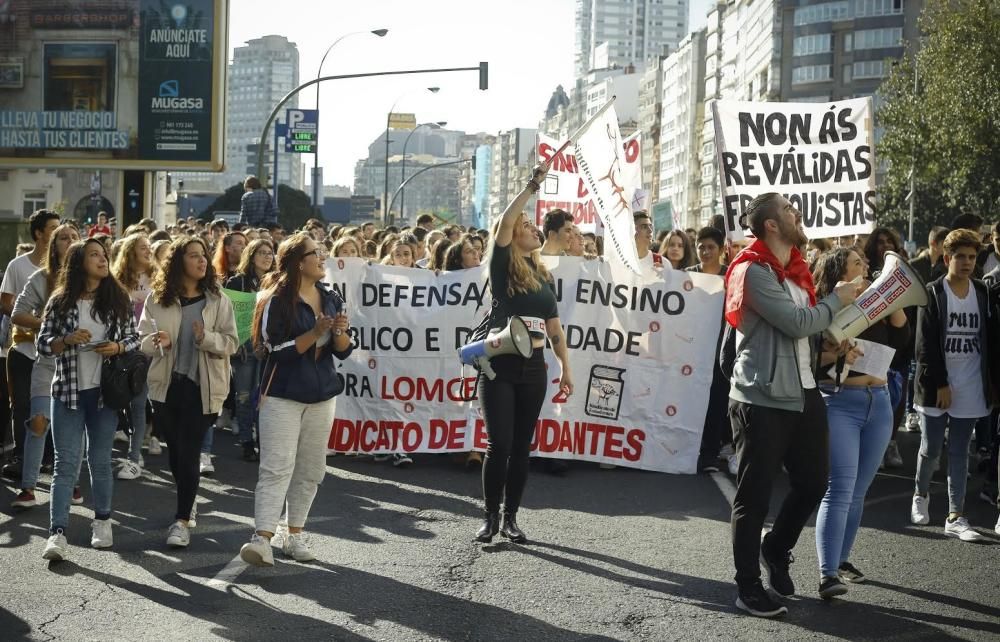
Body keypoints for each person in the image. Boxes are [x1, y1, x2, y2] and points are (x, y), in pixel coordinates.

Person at [724, 193, 859, 617]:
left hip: (802, 390)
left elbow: (808, 331)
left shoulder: (795, 271)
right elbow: (797, 322)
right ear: (770, 226)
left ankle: (775, 548)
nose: (796, 213)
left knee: (814, 483)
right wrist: (836, 300)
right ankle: (747, 587)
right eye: (787, 210)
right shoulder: (753, 270)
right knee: (754, 497)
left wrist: (838, 338)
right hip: (761, 397)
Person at [239, 233, 353, 566]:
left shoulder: (331, 296)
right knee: (276, 467)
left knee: (312, 468)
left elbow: (343, 351)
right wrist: (315, 333)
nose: (322, 258)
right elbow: (273, 351)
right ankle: (261, 539)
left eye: (322, 252)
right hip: (283, 395)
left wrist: (341, 331)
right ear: (298, 262)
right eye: (315, 253)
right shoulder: (275, 299)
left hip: (322, 395)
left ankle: (295, 536)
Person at [474, 163, 573, 544]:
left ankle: (512, 517)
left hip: (534, 368)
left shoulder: (544, 276)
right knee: (498, 444)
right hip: (499, 366)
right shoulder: (501, 265)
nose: (533, 229)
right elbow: (505, 220)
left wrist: (566, 367)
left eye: (533, 227)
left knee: (521, 446)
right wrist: (533, 184)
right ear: (512, 236)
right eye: (527, 227)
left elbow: (554, 328)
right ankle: (489, 517)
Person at [811, 248, 909, 599]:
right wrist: (832, 352)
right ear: (839, 271)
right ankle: (827, 574)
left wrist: (890, 295)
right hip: (839, 402)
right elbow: (809, 358)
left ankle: (841, 560)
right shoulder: (824, 307)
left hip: (879, 403)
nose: (865, 267)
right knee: (839, 489)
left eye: (865, 264)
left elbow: (903, 340)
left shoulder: (874, 305)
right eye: (857, 263)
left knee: (858, 491)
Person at [37, 239, 140, 560]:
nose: (102, 259)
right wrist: (65, 339)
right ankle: (57, 533)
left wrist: (117, 348)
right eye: (94, 254)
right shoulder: (60, 301)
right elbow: (43, 344)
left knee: (99, 462)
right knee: (65, 465)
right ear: (79, 262)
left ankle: (103, 521)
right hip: (66, 391)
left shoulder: (117, 299)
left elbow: (134, 338)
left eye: (104, 254)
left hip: (103, 395)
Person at [139, 236, 238, 548]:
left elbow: (232, 343)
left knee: (190, 450)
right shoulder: (157, 299)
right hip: (166, 386)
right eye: (194, 255)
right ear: (178, 261)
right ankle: (188, 495)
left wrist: (206, 338)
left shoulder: (218, 299)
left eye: (204, 256)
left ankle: (181, 520)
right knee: (177, 454)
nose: (201, 261)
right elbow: (141, 341)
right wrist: (156, 342)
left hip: (203, 388)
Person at [910, 228, 996, 542]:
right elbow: (925, 345)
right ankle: (920, 493)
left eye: (972, 257)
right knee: (932, 449)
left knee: (960, 452)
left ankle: (955, 515)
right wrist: (941, 383)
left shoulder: (982, 291)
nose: (967, 262)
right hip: (937, 386)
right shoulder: (933, 292)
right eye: (960, 256)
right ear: (947, 258)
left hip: (972, 383)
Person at [10, 223, 83, 509]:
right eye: (63, 237)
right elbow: (17, 314)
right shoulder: (42, 278)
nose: (69, 241)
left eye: (74, 237)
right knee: (38, 423)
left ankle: (74, 485)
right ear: (53, 246)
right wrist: (49, 325)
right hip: (47, 360)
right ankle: (28, 489)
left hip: (81, 365)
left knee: (75, 429)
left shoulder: (95, 280)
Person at [1, 209, 61, 481]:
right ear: (39, 233)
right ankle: (22, 457)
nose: (57, 233)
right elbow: (6, 303)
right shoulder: (19, 266)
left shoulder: (66, 270)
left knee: (49, 404)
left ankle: (49, 458)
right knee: (22, 404)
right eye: (52, 228)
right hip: (23, 348)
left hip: (54, 353)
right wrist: (36, 320)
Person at [225, 239, 275, 461]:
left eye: (270, 253)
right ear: (251, 255)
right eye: (262, 252)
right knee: (244, 396)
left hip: (266, 347)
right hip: (243, 348)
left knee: (264, 398)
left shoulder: (276, 282)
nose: (267, 257)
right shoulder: (237, 283)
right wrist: (233, 345)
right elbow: (227, 317)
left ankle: (264, 443)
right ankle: (246, 441)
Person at [112, 234, 157, 480]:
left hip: (146, 347)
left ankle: (134, 456)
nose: (148, 251)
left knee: (139, 402)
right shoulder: (117, 279)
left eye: (149, 247)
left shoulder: (157, 277)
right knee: (123, 401)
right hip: (121, 347)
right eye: (143, 247)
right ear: (130, 251)